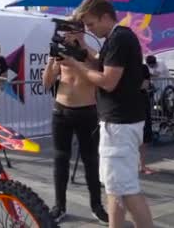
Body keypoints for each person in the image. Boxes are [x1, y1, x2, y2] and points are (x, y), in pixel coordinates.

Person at [59, 0, 153, 228]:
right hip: (119, 122)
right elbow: (100, 60)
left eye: (91, 24)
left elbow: (108, 81)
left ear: (105, 17)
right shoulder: (116, 38)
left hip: (119, 124)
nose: (89, 29)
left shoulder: (120, 38)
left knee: (127, 190)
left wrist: (75, 65)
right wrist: (80, 45)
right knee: (114, 188)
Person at [42, 19, 109, 225]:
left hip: (87, 111)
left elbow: (99, 70)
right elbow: (46, 84)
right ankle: (59, 205)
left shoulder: (90, 52)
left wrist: (81, 45)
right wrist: (53, 64)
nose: (68, 34)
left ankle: (97, 206)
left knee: (90, 160)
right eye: (66, 30)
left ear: (81, 31)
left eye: (72, 30)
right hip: (61, 110)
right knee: (60, 160)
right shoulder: (60, 50)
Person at [140, 63, 155, 175]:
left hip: (128, 104)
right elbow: (144, 85)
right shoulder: (143, 67)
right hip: (140, 103)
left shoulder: (120, 66)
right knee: (143, 135)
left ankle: (141, 165)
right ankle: (142, 165)